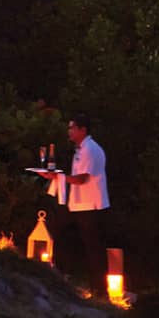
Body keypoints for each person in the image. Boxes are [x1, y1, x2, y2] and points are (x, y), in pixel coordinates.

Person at [45, 113, 110, 296]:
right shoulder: (80, 150)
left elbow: (82, 179)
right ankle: (61, 274)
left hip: (91, 206)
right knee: (57, 230)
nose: (69, 131)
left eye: (72, 127)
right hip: (78, 203)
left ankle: (100, 290)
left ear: (83, 130)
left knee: (93, 247)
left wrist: (60, 177)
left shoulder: (91, 150)